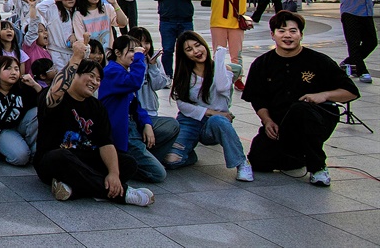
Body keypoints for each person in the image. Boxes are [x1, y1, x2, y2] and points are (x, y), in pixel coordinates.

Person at [242, 11, 359, 186]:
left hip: (315, 120)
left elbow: (352, 92)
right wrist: (266, 121)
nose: (287, 35)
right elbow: (257, 98)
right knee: (259, 161)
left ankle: (318, 167)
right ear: (273, 35)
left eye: (293, 31)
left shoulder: (319, 61)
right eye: (281, 31)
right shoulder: (262, 63)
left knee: (300, 108)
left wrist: (323, 95)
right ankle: (298, 154)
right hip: (281, 123)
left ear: (301, 35)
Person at [34, 39, 153, 206]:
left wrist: (113, 174)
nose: (95, 82)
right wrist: (76, 58)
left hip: (85, 158)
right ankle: (123, 194)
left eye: (98, 79)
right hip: (54, 159)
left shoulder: (97, 106)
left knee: (128, 163)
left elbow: (106, 142)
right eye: (91, 76)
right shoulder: (56, 97)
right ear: (75, 74)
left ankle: (74, 188)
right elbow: (56, 90)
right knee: (61, 157)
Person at [164, 32, 252, 181]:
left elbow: (222, 87)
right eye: (189, 49)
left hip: (214, 123)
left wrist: (219, 59)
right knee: (171, 161)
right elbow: (182, 105)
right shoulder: (184, 75)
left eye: (198, 45)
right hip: (189, 121)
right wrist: (210, 111)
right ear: (184, 54)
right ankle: (189, 153)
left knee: (219, 121)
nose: (196, 51)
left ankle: (241, 163)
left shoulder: (224, 70)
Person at [98, 35, 172, 184]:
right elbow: (135, 83)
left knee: (172, 126)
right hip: (124, 130)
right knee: (159, 174)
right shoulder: (112, 71)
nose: (135, 54)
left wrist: (147, 124)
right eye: (131, 50)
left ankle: (141, 157)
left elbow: (135, 104)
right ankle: (125, 165)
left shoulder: (124, 70)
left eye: (137, 51)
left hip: (134, 124)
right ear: (118, 53)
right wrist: (139, 57)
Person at [196, 0, 256, 89]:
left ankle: (238, 78)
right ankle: (218, 76)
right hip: (218, 24)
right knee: (219, 53)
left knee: (237, 54)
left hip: (236, 25)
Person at [0, 56, 41, 166]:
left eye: (16, 69)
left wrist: (35, 85)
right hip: (2, 132)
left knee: (37, 112)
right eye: (8, 68)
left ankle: (31, 150)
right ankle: (14, 150)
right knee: (21, 158)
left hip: (21, 126)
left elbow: (46, 102)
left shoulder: (24, 88)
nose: (13, 72)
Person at [150, 0, 199, 77]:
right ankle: (168, 76)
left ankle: (187, 74)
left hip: (185, 20)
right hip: (167, 20)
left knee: (188, 48)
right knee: (167, 49)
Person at [336, 0, 380, 83]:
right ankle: (361, 71)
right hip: (351, 13)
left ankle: (348, 63)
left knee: (372, 41)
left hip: (366, 12)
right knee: (353, 43)